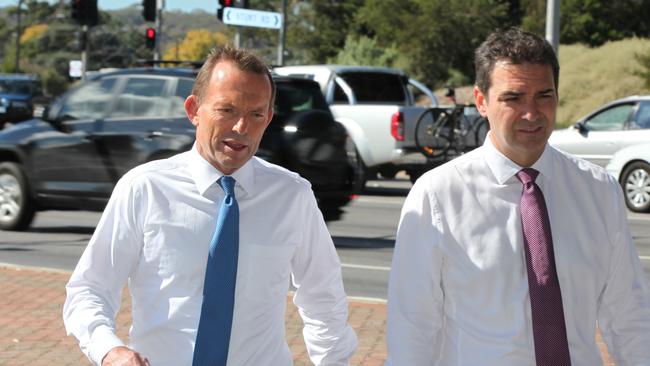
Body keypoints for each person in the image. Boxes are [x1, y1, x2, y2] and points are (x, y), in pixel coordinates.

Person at [63, 46, 357, 366]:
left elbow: (323, 299)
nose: (241, 127)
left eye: (256, 114)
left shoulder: (292, 196)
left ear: (269, 118)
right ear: (194, 110)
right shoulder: (145, 188)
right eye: (227, 110)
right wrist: (109, 350)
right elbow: (89, 289)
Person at [385, 28, 650, 365]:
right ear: (482, 102)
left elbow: (630, 315)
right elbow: (412, 326)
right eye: (513, 97)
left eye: (544, 95)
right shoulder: (438, 196)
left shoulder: (599, 191)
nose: (531, 113)